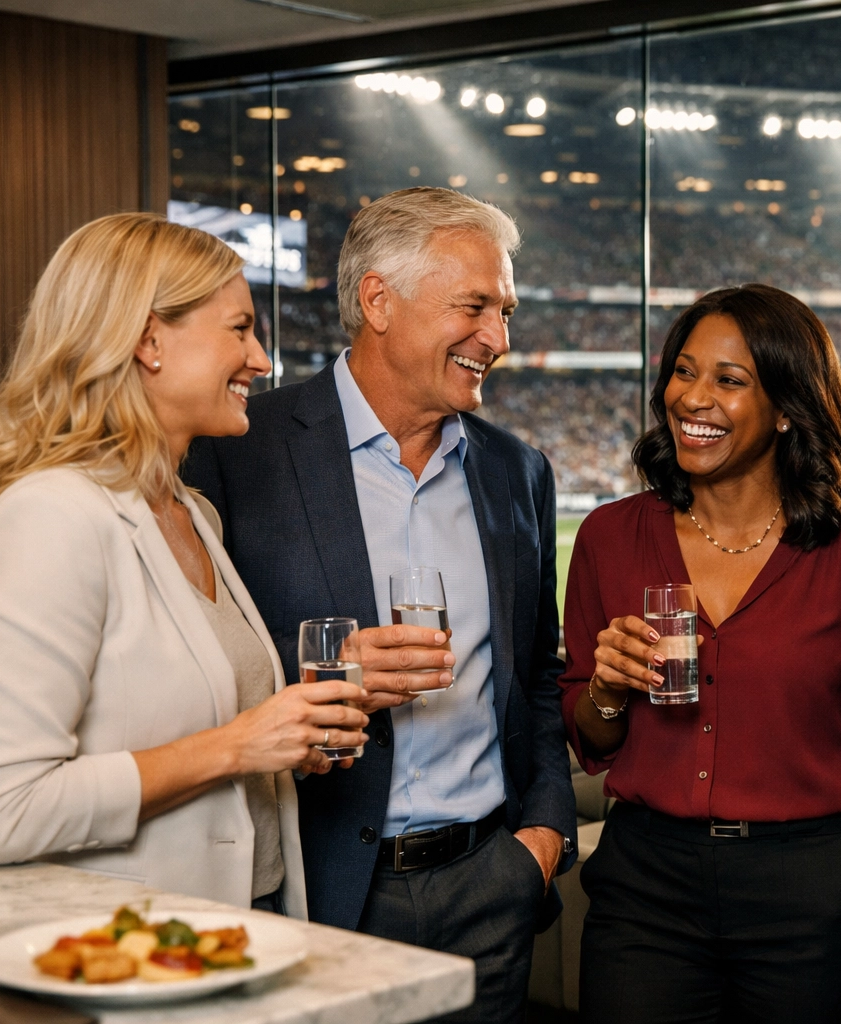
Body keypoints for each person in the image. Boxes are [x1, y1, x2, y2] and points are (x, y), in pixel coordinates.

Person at [184, 187, 576, 1021]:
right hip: (321, 885)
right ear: (378, 300)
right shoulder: (238, 451)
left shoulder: (519, 471)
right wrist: (326, 669)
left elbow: (539, 674)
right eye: (474, 307)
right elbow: (194, 670)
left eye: (503, 312)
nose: (498, 340)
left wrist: (538, 843)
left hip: (490, 885)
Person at [0, 213, 367, 915]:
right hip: (132, 950)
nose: (262, 360)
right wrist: (238, 745)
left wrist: (288, 736)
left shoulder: (191, 511)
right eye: (240, 329)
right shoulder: (51, 517)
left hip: (249, 923)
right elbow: (3, 810)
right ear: (148, 341)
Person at [563, 284, 841, 1024]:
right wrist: (606, 685)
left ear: (788, 406)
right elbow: (589, 736)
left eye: (730, 381)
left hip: (814, 883)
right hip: (646, 892)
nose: (693, 398)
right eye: (684, 372)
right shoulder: (609, 537)